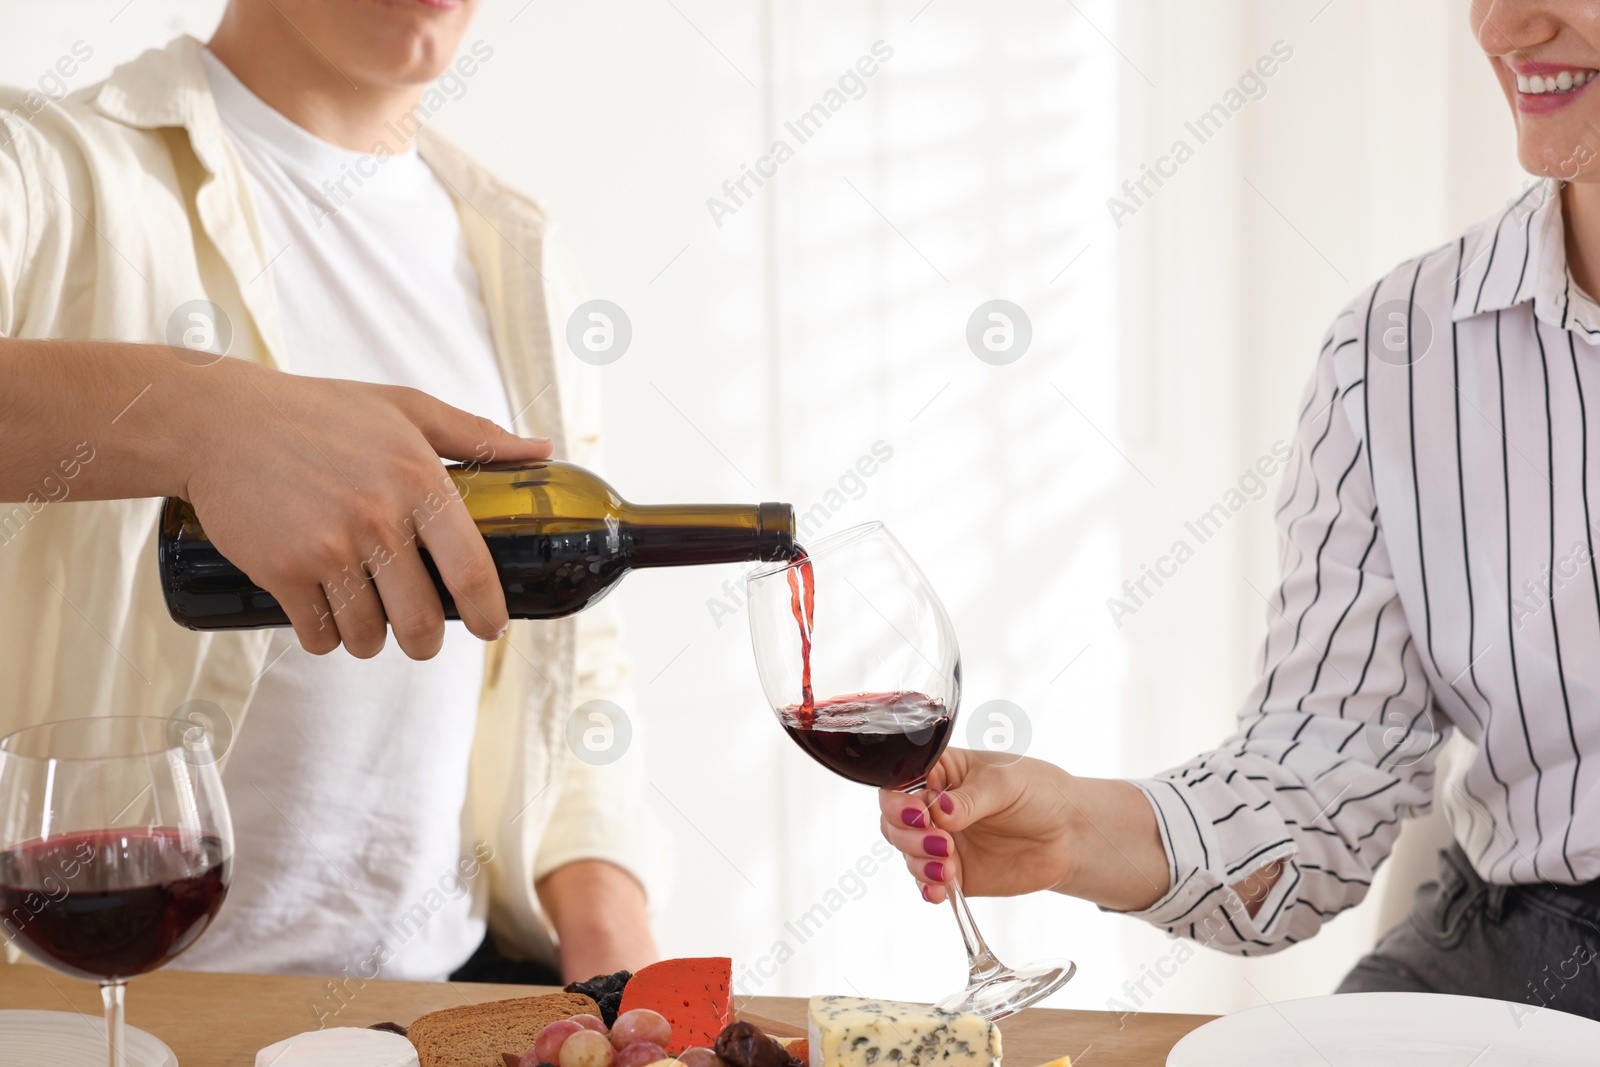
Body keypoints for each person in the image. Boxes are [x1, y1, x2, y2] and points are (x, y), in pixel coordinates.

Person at [880, 0, 1600, 1022]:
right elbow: (1322, 771)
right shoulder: (1399, 347)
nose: (1503, 26)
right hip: (1523, 945)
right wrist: (1075, 830)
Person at [0, 0, 663, 993]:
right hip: (99, 1006)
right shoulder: (46, 169)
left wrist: (606, 916)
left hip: (443, 1001)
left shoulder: (517, 249)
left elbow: (566, 660)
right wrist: (199, 420)